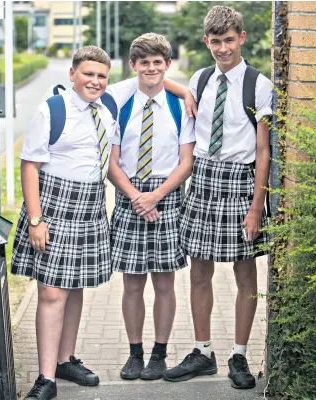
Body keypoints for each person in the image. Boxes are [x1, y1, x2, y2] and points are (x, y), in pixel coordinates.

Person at [12, 46, 137, 400]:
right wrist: (36, 219)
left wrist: (186, 91)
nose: (95, 81)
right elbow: (30, 166)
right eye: (88, 74)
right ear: (72, 75)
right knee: (52, 292)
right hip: (54, 203)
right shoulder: (51, 109)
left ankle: (66, 360)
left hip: (91, 203)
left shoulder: (109, 103)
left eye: (101, 75)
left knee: (75, 285)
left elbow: (151, 77)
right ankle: (45, 378)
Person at [163, 6, 272, 390]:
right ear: (206, 41)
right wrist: (184, 92)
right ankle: (202, 351)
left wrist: (257, 206)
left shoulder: (258, 85)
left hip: (240, 184)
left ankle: (239, 354)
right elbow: (176, 88)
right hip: (204, 179)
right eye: (215, 41)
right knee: (199, 271)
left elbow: (263, 151)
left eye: (229, 40)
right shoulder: (201, 77)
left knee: (245, 272)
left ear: (241, 38)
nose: (222, 48)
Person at [108, 33, 195, 381]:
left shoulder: (179, 106)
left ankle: (159, 353)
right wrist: (136, 197)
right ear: (133, 66)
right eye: (144, 62)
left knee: (163, 283)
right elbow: (112, 163)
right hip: (130, 194)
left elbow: (186, 162)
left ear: (167, 65)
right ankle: (135, 353)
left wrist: (155, 196)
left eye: (158, 62)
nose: (151, 68)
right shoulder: (119, 101)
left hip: (167, 194)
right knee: (132, 283)